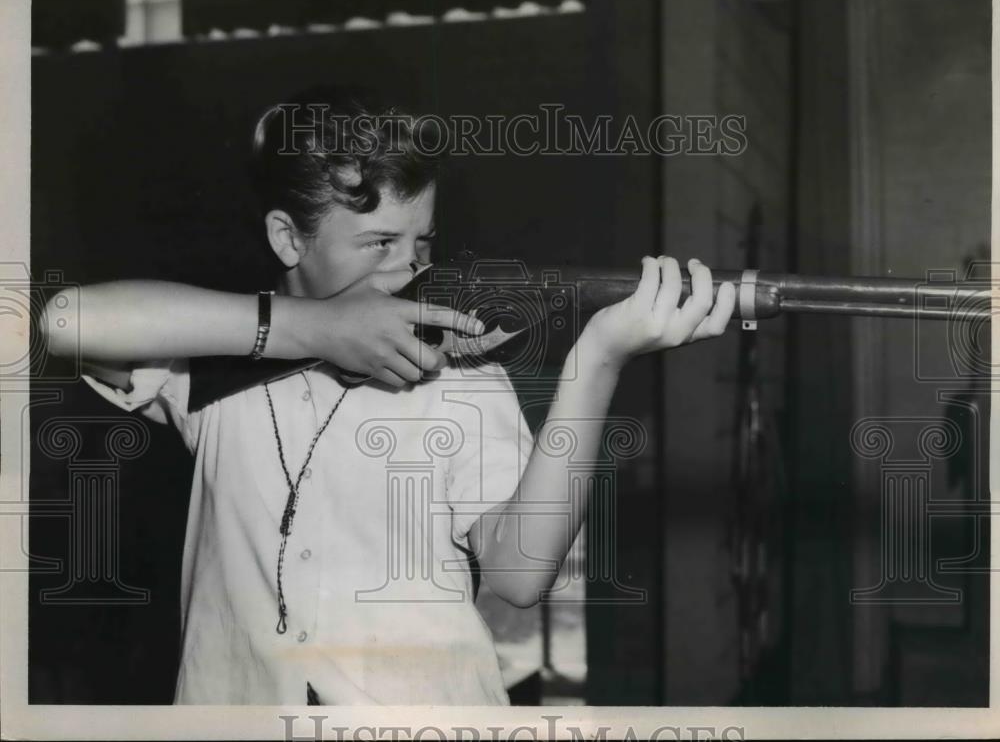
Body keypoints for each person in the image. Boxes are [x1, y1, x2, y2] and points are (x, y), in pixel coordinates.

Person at [43, 88, 737, 705]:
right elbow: (63, 321)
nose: (407, 264)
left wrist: (599, 358)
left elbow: (521, 573)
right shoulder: (215, 355)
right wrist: (311, 327)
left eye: (421, 240)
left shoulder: (456, 371)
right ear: (288, 237)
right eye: (377, 241)